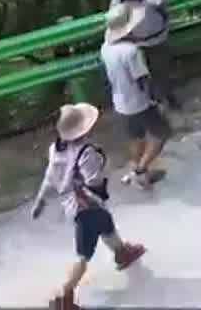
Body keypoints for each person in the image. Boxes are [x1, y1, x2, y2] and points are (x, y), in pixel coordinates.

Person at [31, 102, 147, 310]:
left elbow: (50, 177)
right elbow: (93, 180)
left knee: (106, 223)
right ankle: (63, 296)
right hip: (86, 206)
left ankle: (122, 252)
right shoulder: (87, 153)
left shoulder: (55, 150)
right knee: (83, 256)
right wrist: (103, 168)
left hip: (74, 206)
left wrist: (41, 200)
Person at [98, 4, 170, 190]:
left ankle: (140, 175)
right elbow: (142, 79)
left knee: (136, 137)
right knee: (161, 133)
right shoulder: (131, 51)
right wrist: (156, 99)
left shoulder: (106, 48)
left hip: (121, 102)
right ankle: (140, 169)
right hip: (139, 102)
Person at [107, 0, 178, 110]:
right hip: (136, 43)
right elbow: (113, 15)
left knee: (162, 71)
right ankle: (153, 102)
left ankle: (169, 97)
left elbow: (166, 2)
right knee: (144, 77)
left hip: (158, 37)